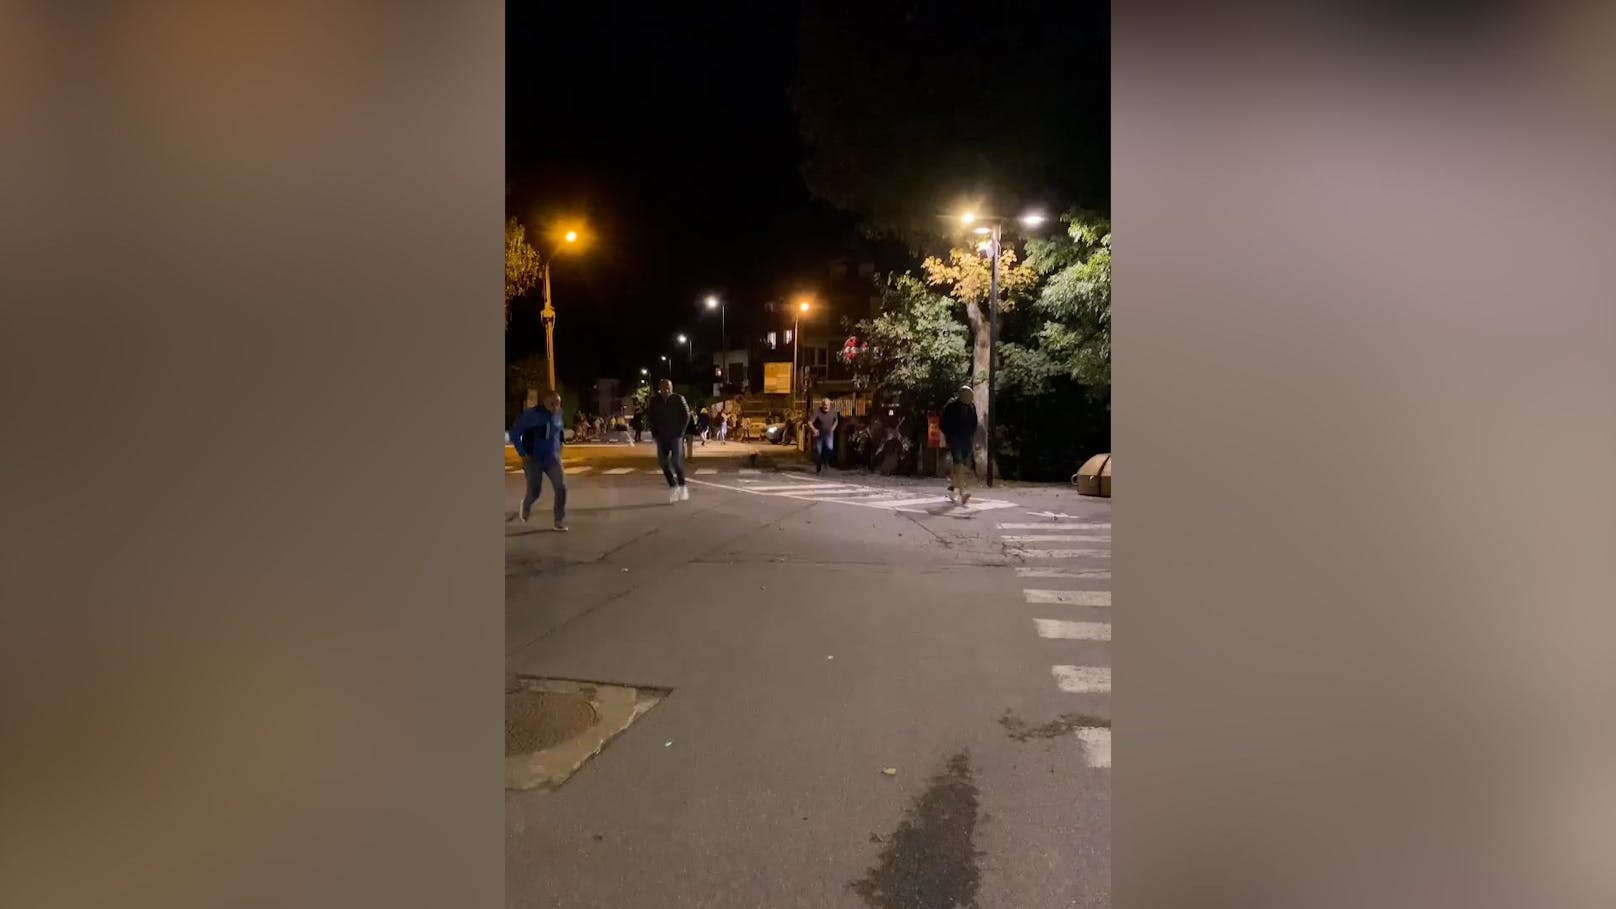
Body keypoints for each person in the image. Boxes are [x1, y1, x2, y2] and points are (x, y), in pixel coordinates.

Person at [509, 390, 568, 530]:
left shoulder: (558, 415)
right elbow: (514, 433)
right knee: (534, 492)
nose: (555, 407)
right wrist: (522, 453)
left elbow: (559, 431)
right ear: (544, 403)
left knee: (561, 488)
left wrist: (560, 447)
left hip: (552, 458)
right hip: (533, 459)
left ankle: (558, 521)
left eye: (558, 404)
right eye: (552, 404)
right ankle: (527, 504)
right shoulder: (532, 416)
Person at [645, 379, 691, 502]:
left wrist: (681, 431)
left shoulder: (678, 399)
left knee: (675, 462)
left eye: (668, 388)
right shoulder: (654, 401)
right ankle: (673, 487)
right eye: (663, 388)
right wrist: (654, 432)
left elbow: (686, 415)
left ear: (672, 388)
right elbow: (650, 417)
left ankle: (682, 486)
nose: (666, 390)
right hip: (661, 436)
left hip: (676, 436)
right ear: (659, 388)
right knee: (663, 463)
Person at [940, 385, 979, 505]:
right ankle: (962, 492)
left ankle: (953, 486)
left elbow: (974, 422)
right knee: (958, 462)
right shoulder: (952, 406)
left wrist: (971, 436)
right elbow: (943, 422)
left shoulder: (971, 407)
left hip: (966, 439)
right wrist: (949, 435)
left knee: (963, 464)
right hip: (955, 437)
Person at [809, 398, 839, 474]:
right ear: (822, 405)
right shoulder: (817, 411)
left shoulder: (833, 411)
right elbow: (809, 422)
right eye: (824, 405)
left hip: (829, 433)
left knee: (830, 448)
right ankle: (818, 468)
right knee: (818, 451)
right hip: (819, 434)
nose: (826, 407)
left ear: (830, 405)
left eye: (828, 405)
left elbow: (836, 420)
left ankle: (825, 462)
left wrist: (833, 428)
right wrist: (814, 430)